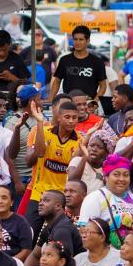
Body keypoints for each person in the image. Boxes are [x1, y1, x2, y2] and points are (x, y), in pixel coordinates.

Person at [25, 101, 80, 237]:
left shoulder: (80, 140)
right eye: (67, 117)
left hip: (62, 198)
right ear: (59, 117)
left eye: (75, 117)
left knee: (57, 236)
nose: (71, 121)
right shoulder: (44, 132)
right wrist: (39, 122)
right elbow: (39, 153)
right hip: (40, 193)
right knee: (30, 233)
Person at [78, 154, 133, 249]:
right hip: (106, 257)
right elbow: (84, 231)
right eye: (116, 175)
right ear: (106, 177)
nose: (121, 179)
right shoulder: (95, 198)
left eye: (126, 175)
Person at [24, 190, 83, 266]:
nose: (40, 203)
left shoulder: (62, 230)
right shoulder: (49, 226)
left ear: (58, 206)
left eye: (46, 200)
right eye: (40, 200)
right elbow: (35, 255)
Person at [49, 26, 106, 101]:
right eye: (75, 39)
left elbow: (103, 86)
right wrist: (50, 100)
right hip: (69, 102)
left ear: (88, 41)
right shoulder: (64, 60)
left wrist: (94, 103)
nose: (77, 42)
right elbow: (57, 81)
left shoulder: (97, 62)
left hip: (88, 103)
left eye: (81, 39)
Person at [0, 185, 32, 261]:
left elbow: (26, 250)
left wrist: (9, 263)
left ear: (12, 202)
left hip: (11, 264)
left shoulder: (21, 222)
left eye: (4, 198)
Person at [68, 129, 113, 193]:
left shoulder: (107, 170)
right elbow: (72, 181)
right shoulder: (77, 161)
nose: (94, 149)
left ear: (107, 152)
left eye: (99, 147)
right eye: (91, 145)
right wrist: (85, 157)